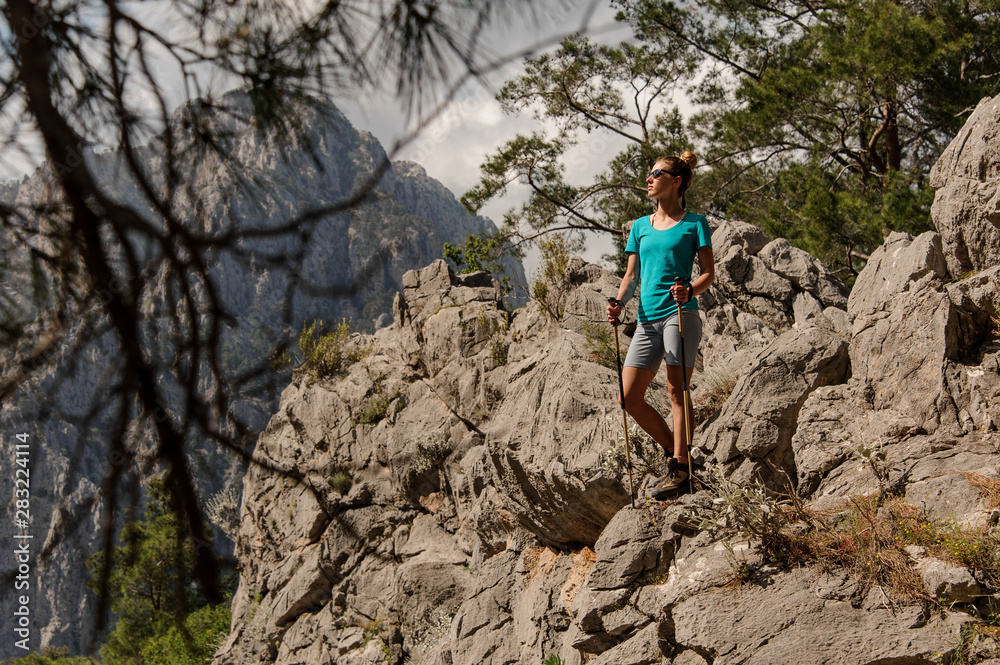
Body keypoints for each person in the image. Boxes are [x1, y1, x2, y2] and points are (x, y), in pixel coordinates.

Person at [606, 151, 715, 498]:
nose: (649, 178)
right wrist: (619, 302)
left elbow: (709, 274)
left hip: (679, 315)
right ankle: (678, 455)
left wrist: (690, 291)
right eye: (649, 173)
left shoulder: (695, 223)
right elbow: (631, 274)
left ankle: (680, 468)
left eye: (657, 173)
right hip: (646, 319)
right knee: (628, 397)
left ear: (676, 181)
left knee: (676, 390)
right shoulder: (640, 226)